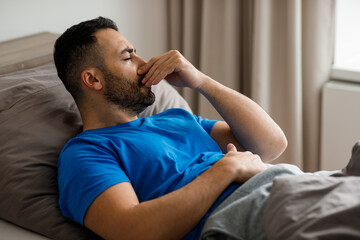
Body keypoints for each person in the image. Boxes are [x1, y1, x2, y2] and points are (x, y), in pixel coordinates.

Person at [54, 17, 288, 240]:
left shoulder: (177, 119)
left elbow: (272, 144)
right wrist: (226, 170)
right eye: (128, 58)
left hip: (288, 185)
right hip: (254, 214)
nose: (144, 64)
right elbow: (130, 231)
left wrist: (200, 81)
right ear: (93, 80)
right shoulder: (87, 152)